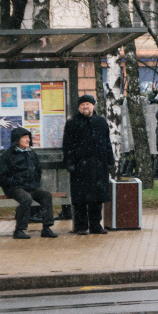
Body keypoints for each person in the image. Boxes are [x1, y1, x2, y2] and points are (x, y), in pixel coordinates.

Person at [62, 94, 114, 235]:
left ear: (93, 106)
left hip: (98, 165)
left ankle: (96, 225)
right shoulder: (72, 122)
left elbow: (107, 142)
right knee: (80, 199)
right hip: (80, 167)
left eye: (88, 104)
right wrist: (69, 162)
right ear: (79, 107)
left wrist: (110, 160)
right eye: (82, 105)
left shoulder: (101, 122)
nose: (85, 107)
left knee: (97, 198)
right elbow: (67, 145)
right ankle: (81, 226)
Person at [0, 126, 57, 240]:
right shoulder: (6, 156)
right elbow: (1, 178)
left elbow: (38, 171)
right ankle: (19, 230)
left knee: (46, 196)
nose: (28, 140)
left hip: (31, 186)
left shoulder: (31, 154)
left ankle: (47, 228)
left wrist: (34, 182)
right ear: (17, 139)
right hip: (14, 187)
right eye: (25, 137)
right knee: (26, 198)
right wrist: (17, 182)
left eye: (28, 137)